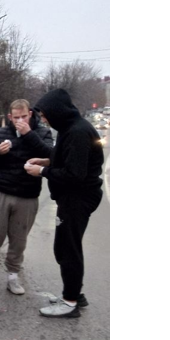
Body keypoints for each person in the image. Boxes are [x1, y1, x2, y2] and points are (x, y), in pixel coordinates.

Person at [24, 88, 105, 318]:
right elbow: (69, 158)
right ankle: (74, 294)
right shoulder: (71, 128)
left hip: (78, 198)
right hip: (73, 197)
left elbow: (74, 174)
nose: (44, 119)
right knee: (64, 248)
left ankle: (70, 302)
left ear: (58, 111)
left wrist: (42, 171)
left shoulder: (78, 132)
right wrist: (47, 160)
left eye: (46, 114)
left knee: (68, 249)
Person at [0, 99, 54, 295]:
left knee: (19, 239)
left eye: (24, 116)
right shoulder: (0, 133)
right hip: (1, 192)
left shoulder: (42, 133)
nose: (20, 120)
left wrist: (28, 134)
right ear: (9, 117)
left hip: (27, 195)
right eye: (16, 117)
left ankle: (13, 275)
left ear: (30, 115)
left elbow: (51, 156)